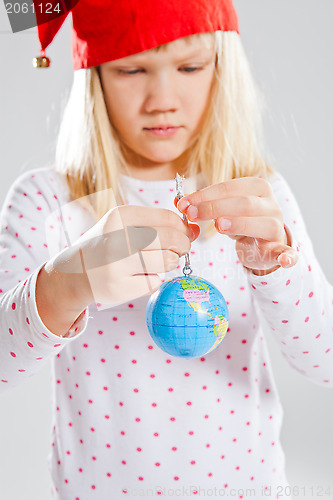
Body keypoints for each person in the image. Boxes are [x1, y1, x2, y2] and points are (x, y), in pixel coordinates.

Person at [1, 0, 332, 498]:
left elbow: (325, 361)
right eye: (132, 69)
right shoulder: (47, 201)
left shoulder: (258, 197)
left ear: (222, 67)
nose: (162, 100)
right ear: (94, 77)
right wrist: (68, 280)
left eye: (190, 66)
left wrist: (276, 270)